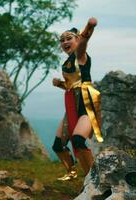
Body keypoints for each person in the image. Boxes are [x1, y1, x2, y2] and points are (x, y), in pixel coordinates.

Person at [52, 17, 103, 181]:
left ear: (77, 39)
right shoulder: (66, 64)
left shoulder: (80, 55)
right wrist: (59, 83)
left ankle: (93, 179)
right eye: (62, 40)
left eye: (69, 38)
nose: (65, 42)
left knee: (79, 140)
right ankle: (71, 172)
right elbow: (70, 86)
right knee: (58, 145)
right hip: (72, 103)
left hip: (86, 103)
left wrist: (90, 26)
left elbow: (84, 40)